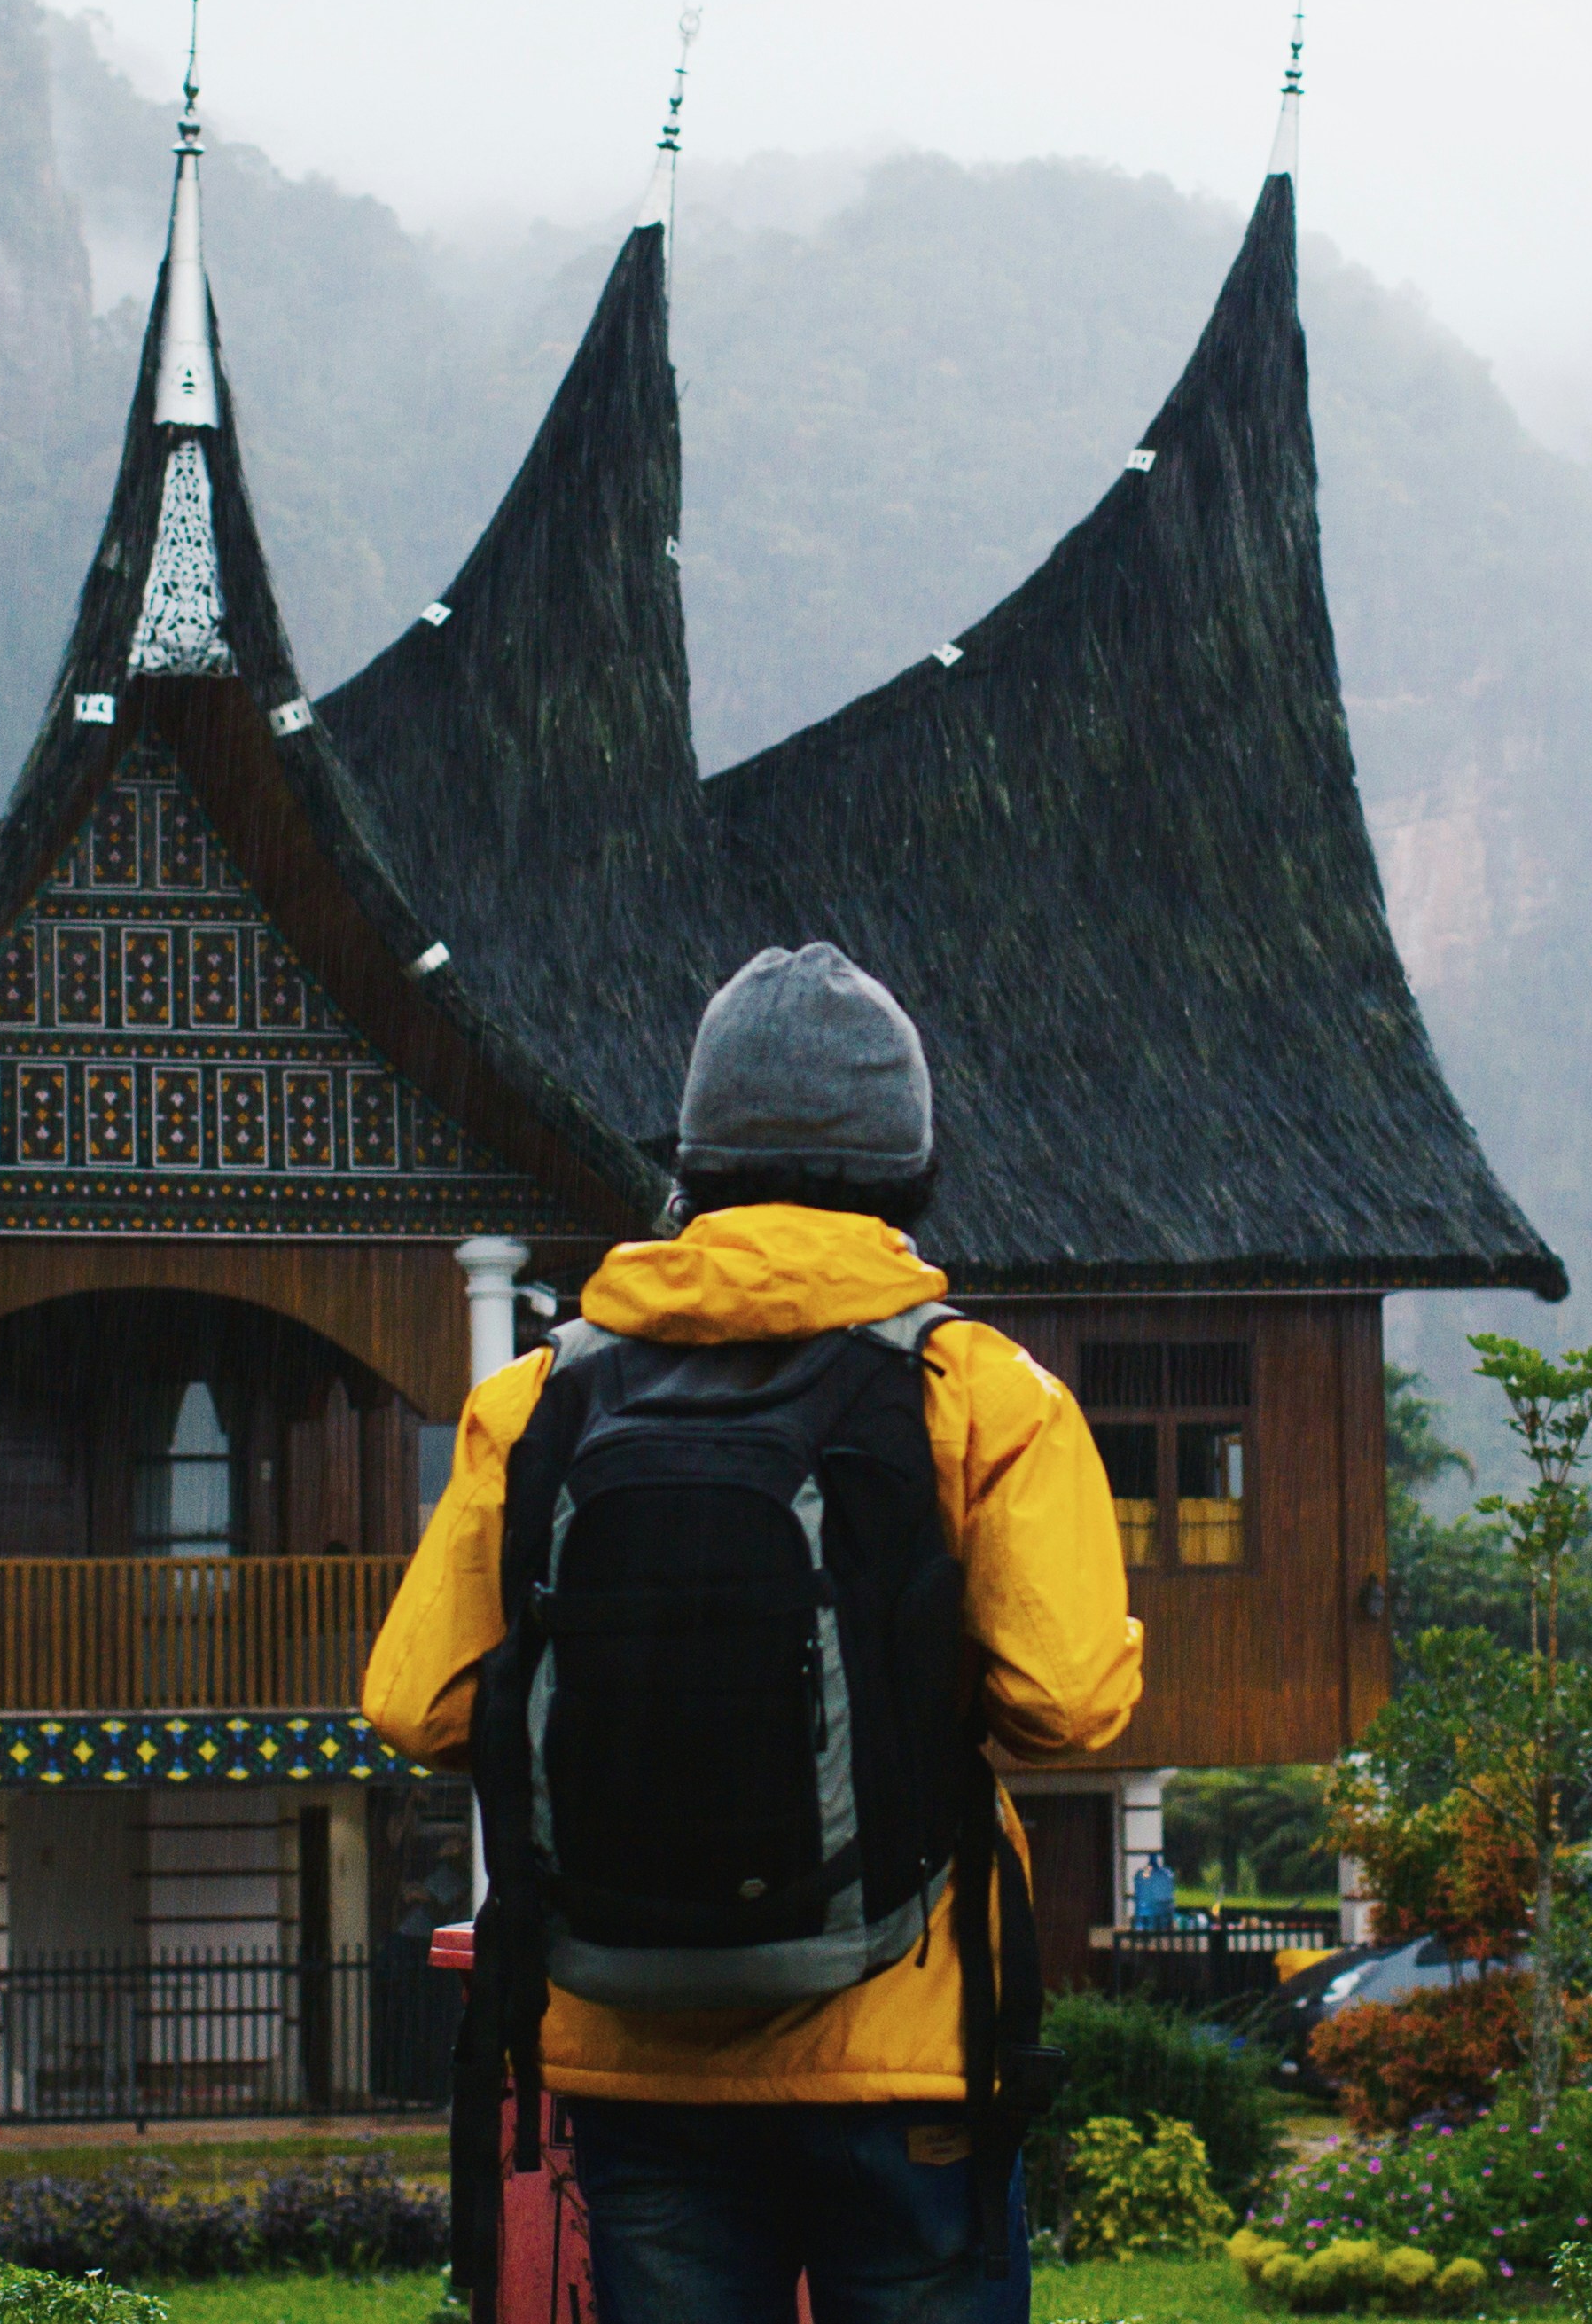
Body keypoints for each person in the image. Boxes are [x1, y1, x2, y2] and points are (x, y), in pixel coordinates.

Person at [366, 943, 1141, 2324]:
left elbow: (414, 1703)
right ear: (908, 1163)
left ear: (693, 1162)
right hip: (908, 2042)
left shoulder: (542, 1394)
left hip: (634, 2055)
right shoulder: (980, 1391)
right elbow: (1069, 1704)